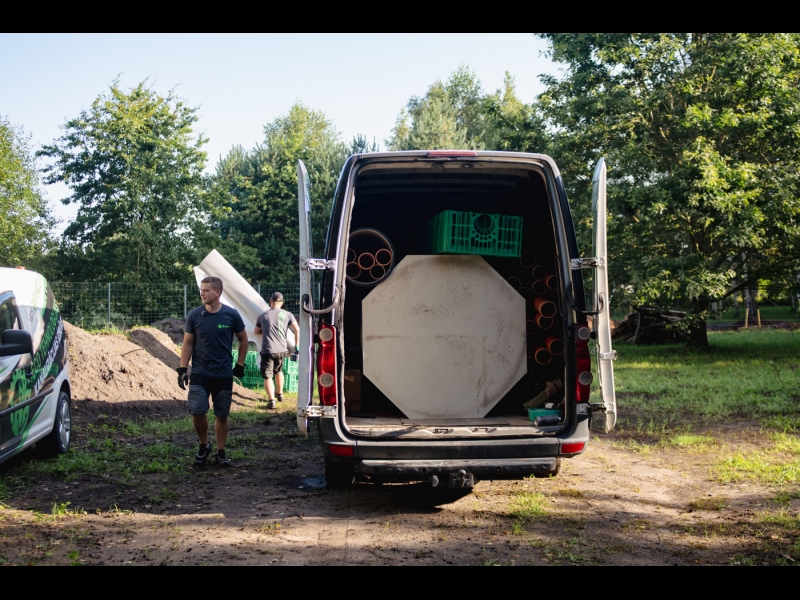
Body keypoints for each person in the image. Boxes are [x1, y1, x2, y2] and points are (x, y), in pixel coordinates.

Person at [177, 276, 248, 467]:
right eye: (201, 290)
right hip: (200, 373)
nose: (202, 293)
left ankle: (221, 451)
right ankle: (204, 445)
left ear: (218, 292)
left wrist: (239, 365)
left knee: (221, 414)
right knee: (197, 411)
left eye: (206, 290)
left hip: (223, 374)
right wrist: (182, 368)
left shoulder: (231, 315)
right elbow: (188, 343)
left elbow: (244, 339)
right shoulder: (194, 315)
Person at [255, 292, 300, 409]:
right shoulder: (288, 314)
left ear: (270, 302)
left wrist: (265, 331)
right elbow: (297, 330)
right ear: (282, 303)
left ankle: (271, 401)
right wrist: (297, 346)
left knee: (267, 376)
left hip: (268, 349)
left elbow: (256, 331)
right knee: (278, 371)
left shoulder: (263, 316)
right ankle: (280, 394)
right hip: (282, 350)